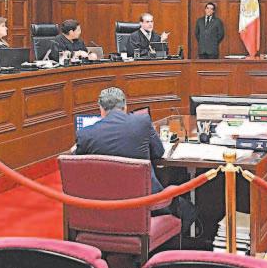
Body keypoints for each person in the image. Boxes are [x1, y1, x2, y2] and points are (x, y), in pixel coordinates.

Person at [72, 87, 196, 230]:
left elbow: (77, 166)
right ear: (125, 105)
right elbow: (159, 152)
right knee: (189, 210)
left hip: (105, 208)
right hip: (146, 203)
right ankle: (167, 241)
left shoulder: (85, 134)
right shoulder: (141, 122)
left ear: (101, 109)